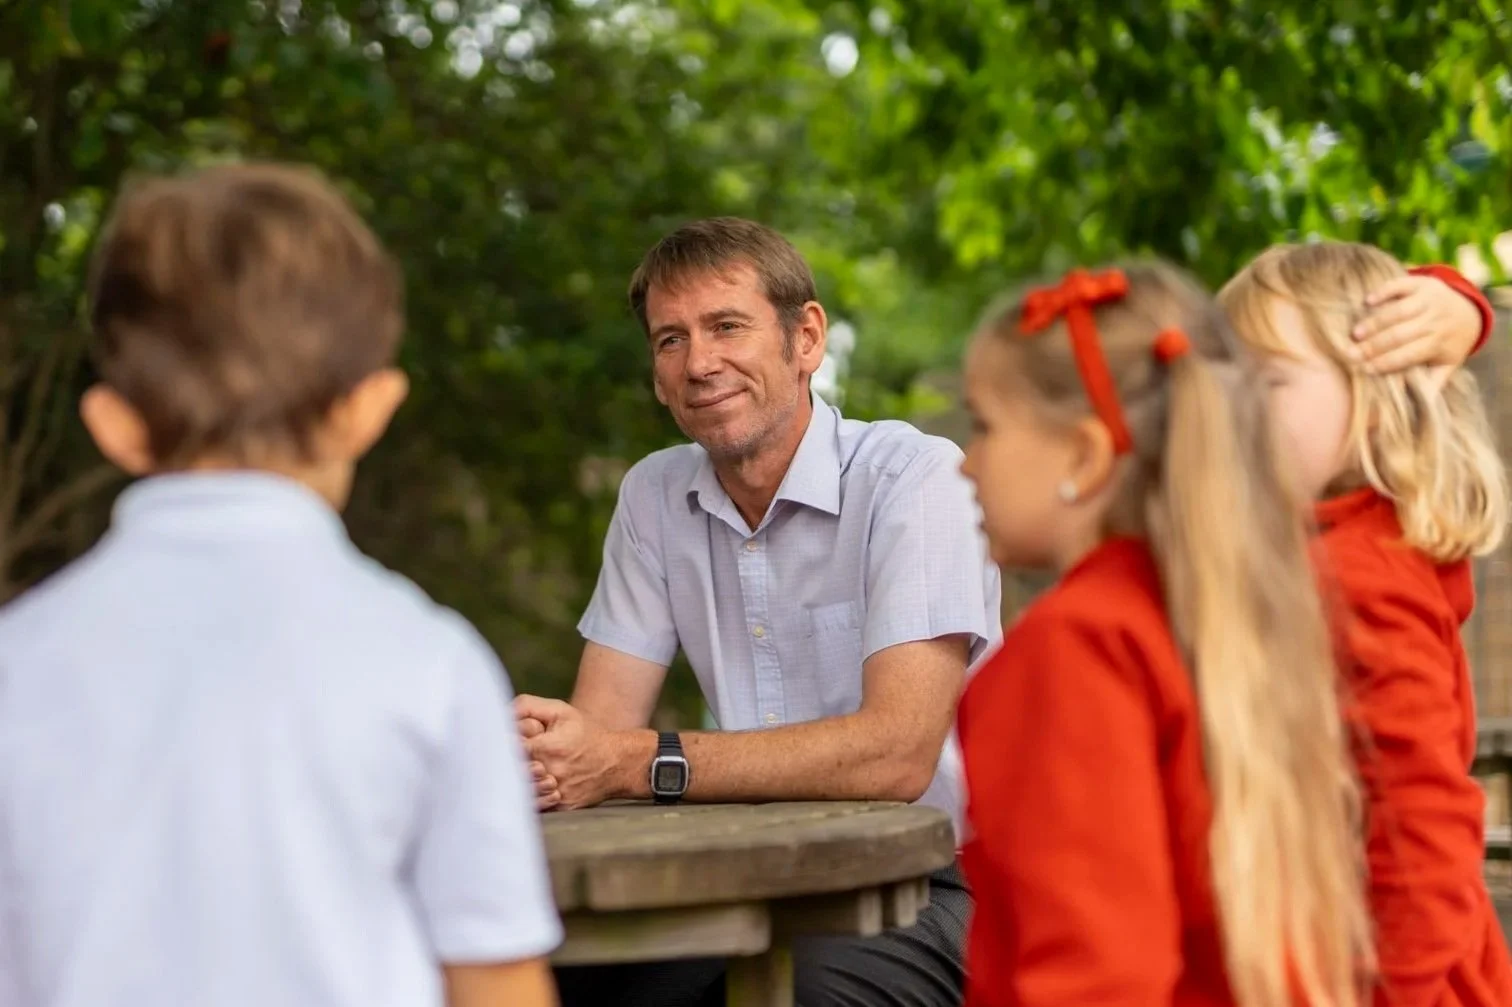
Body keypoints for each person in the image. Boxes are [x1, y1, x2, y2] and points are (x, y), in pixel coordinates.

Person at [0, 163, 560, 1007]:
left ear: (114, 426)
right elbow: (499, 987)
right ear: (369, 407)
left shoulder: (18, 664)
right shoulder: (430, 666)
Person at [516, 217, 1001, 1007]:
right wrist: (541, 752)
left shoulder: (915, 478)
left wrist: (636, 760)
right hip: (737, 882)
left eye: (726, 326)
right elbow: (595, 746)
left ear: (806, 337)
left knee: (799, 995)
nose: (699, 362)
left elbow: (896, 758)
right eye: (670, 340)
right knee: (532, 976)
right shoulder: (654, 495)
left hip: (937, 885)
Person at [956, 263, 1372, 1007]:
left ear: (1083, 457)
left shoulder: (1072, 648)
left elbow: (1095, 976)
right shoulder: (1215, 616)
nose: (966, 461)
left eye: (984, 425)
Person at [1221, 241, 1512, 1007]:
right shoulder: (1335, 540)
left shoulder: (1358, 576)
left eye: (1270, 382)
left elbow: (1425, 839)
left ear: (1377, 392)